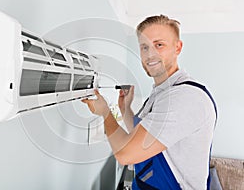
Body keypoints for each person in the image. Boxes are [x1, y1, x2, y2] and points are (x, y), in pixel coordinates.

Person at [82, 15, 217, 189]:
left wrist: (105, 112)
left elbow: (125, 154)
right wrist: (125, 109)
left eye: (159, 45)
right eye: (144, 47)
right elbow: (143, 138)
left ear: (178, 47)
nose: (150, 54)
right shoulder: (161, 93)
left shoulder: (185, 97)